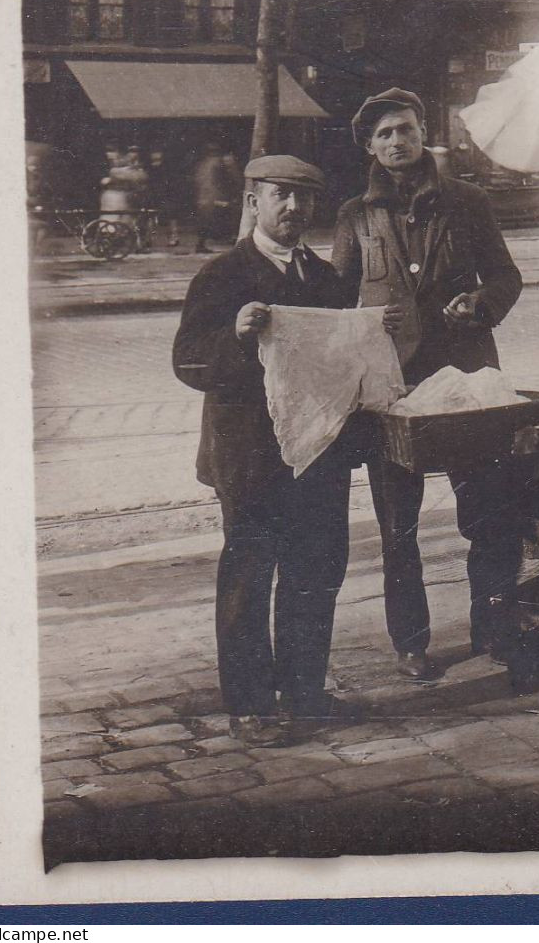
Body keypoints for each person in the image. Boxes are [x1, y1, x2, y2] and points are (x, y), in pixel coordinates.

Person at [331, 88, 525, 681]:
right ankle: (410, 643)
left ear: (423, 134)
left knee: (488, 515)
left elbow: (505, 276)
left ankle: (494, 632)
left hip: (465, 384)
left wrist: (481, 303)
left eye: (406, 129)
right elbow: (336, 301)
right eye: (385, 133)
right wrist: (364, 326)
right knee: (399, 527)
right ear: (369, 144)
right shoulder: (355, 216)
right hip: (391, 392)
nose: (397, 141)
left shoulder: (467, 202)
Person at [171, 155, 367, 744]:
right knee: (250, 577)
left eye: (305, 198)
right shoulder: (222, 275)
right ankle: (251, 706)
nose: (294, 208)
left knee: (315, 574)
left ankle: (304, 694)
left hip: (316, 455)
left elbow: (340, 366)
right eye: (282, 195)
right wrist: (233, 336)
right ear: (253, 202)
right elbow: (187, 362)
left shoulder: (327, 280)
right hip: (251, 458)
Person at [192, 142, 243, 254]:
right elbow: (228, 179)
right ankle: (233, 238)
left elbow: (197, 180)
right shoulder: (219, 163)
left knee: (205, 220)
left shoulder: (202, 164)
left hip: (203, 197)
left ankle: (202, 243)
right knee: (234, 210)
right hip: (215, 196)